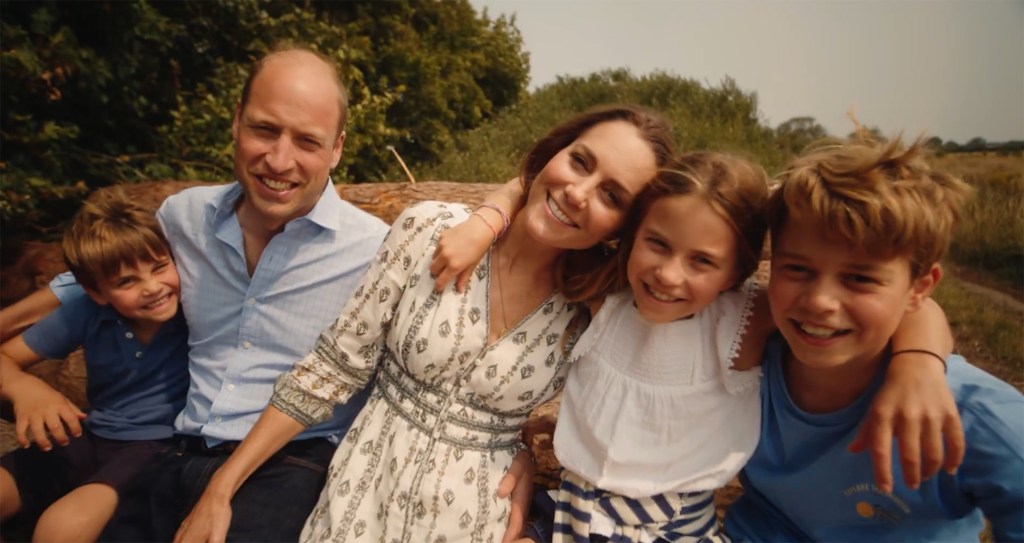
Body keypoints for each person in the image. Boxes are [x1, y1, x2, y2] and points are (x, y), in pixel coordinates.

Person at [173, 104, 678, 542]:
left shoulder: (592, 311)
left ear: (623, 228)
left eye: (612, 196)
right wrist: (222, 487)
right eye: (580, 161)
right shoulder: (432, 229)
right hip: (359, 504)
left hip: (478, 521)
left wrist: (525, 444)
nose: (578, 192)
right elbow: (331, 369)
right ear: (553, 152)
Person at [442, 150, 957, 542]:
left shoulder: (743, 320)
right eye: (657, 244)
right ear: (632, 234)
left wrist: (919, 365)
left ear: (739, 270)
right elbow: (532, 188)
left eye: (702, 262)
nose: (669, 275)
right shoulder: (606, 293)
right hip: (573, 513)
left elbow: (918, 305)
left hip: (670, 530)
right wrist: (487, 219)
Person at [6, 46, 393, 540]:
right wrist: (21, 378)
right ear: (236, 121)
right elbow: (94, 280)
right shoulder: (182, 219)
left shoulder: (375, 251)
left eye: (307, 141)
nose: (279, 159)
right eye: (264, 129)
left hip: (292, 460)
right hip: (175, 448)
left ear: (337, 148)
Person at [723, 136, 1024, 542]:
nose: (819, 301)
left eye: (859, 279)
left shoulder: (972, 416)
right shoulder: (746, 354)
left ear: (920, 287)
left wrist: (919, 362)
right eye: (796, 269)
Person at [0, 190, 189, 542]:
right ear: (97, 292)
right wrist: (26, 388)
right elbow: (6, 357)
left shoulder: (193, 308)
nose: (152, 287)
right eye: (127, 281)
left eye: (160, 267)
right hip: (87, 433)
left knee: (60, 528)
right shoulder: (88, 310)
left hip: (157, 447)